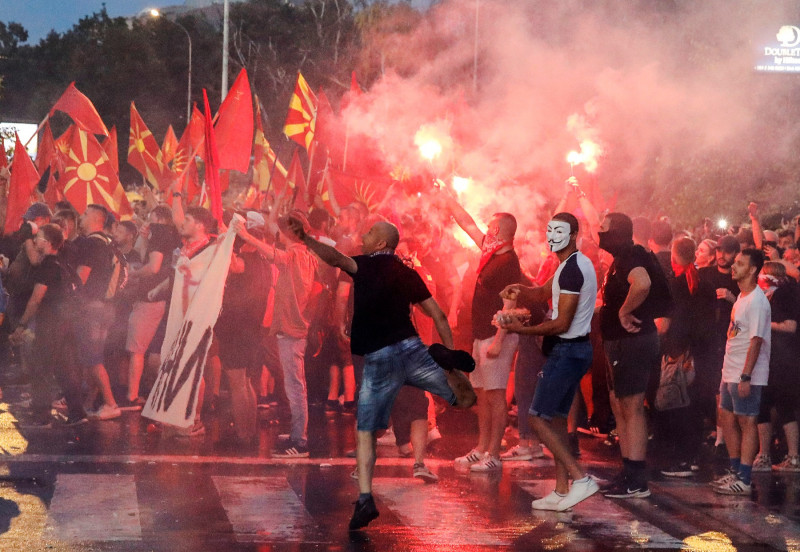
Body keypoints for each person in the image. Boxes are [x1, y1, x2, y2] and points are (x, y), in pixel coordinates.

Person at [283, 216, 475, 531]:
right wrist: (451, 356)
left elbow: (333, 257)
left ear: (382, 243)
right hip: (408, 349)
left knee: (369, 415)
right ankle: (419, 463)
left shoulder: (366, 266)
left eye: (371, 233)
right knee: (416, 405)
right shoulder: (408, 273)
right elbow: (438, 314)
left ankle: (365, 493)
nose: (364, 234)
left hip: (376, 351)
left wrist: (306, 237)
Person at [498, 212, 599, 511]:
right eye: (549, 231)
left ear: (572, 236)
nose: (552, 237)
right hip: (572, 351)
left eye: (559, 232)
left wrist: (521, 329)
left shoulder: (572, 270)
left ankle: (581, 479)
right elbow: (543, 292)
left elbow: (561, 323)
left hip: (568, 351)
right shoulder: (571, 264)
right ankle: (561, 488)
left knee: (536, 417)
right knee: (555, 419)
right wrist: (521, 290)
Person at [442, 190, 521, 472]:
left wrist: (499, 340)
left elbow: (509, 303)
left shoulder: (510, 261)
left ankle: (494, 455)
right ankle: (481, 448)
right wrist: (447, 198)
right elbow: (468, 224)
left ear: (498, 230)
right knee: (483, 394)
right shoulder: (490, 252)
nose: (485, 229)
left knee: (496, 394)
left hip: (496, 337)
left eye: (490, 226)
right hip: (480, 334)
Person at [233, 211, 318, 458]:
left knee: (294, 387)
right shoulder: (307, 256)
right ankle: (295, 433)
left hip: (292, 330)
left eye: (281, 229)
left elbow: (272, 254)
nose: (277, 234)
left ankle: (300, 442)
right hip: (294, 328)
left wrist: (245, 235)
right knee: (295, 385)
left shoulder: (294, 256)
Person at [596, 213, 661, 498]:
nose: (599, 233)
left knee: (631, 406)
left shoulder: (631, 256)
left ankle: (637, 479)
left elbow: (643, 283)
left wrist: (623, 311)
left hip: (632, 342)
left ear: (617, 232)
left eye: (604, 229)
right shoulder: (621, 257)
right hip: (618, 343)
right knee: (619, 404)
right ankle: (628, 471)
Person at [712, 248, 770, 495]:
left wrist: (746, 375)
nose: (733, 267)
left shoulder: (757, 300)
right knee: (727, 417)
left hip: (746, 373)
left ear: (753, 269)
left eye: (739, 263)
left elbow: (756, 340)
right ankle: (735, 472)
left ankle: (745, 479)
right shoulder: (742, 298)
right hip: (730, 370)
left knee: (747, 422)